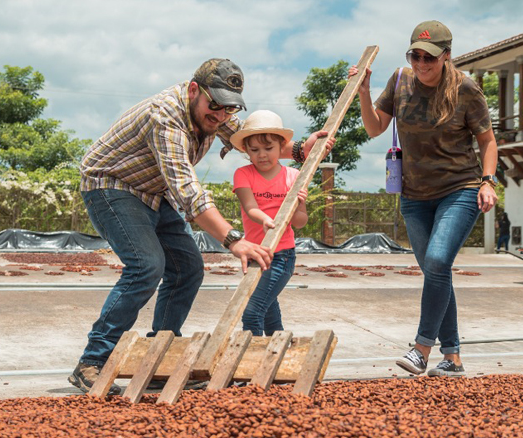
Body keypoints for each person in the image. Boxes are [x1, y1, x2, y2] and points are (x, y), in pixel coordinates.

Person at [70, 59, 333, 395]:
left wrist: (299, 150)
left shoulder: (216, 114)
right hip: (111, 186)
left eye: (228, 108)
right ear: (194, 90)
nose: (220, 115)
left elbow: (249, 138)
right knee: (146, 266)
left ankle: (158, 355)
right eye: (215, 106)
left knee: (188, 268)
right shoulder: (165, 117)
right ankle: (92, 361)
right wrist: (233, 240)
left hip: (152, 192)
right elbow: (188, 193)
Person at [353, 21, 499, 378]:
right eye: (415, 55)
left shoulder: (466, 89)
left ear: (446, 55)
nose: (421, 63)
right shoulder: (401, 81)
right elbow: (374, 128)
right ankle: (453, 359)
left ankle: (421, 349)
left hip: (460, 189)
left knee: (435, 261)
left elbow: (488, 141)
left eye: (429, 57)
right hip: (414, 195)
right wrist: (363, 91)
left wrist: (488, 181)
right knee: (437, 271)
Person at [230, 110, 308, 336]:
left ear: (281, 147)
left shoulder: (294, 176)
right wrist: (265, 219)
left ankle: (251, 363)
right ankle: (278, 354)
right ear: (246, 150)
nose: (262, 155)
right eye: (254, 150)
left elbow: (300, 223)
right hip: (255, 254)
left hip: (282, 256)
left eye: (268, 148)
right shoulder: (243, 174)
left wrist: (298, 206)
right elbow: (250, 206)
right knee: (269, 312)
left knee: (252, 313)